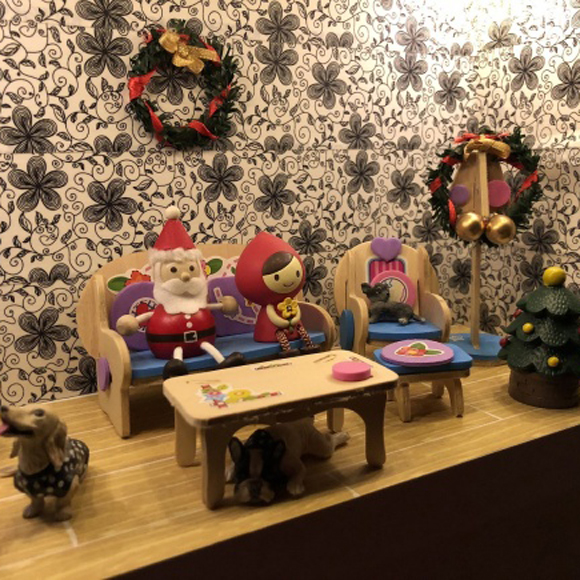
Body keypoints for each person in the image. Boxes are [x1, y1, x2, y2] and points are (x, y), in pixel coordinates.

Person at [116, 207, 244, 379]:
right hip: (168, 347)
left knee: (207, 346)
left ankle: (223, 362)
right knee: (177, 352)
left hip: (203, 341)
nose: (185, 276)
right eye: (174, 270)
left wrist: (223, 305)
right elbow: (143, 318)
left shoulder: (197, 303)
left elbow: (216, 306)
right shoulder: (165, 307)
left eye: (191, 269)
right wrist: (133, 322)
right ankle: (176, 367)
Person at [235, 232, 319, 356]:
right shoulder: (268, 307)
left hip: (294, 326)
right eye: (277, 277)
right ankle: (288, 351)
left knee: (302, 333)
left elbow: (297, 311)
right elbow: (272, 316)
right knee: (280, 336)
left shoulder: (291, 301)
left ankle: (308, 345)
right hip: (272, 332)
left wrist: (294, 319)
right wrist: (284, 323)